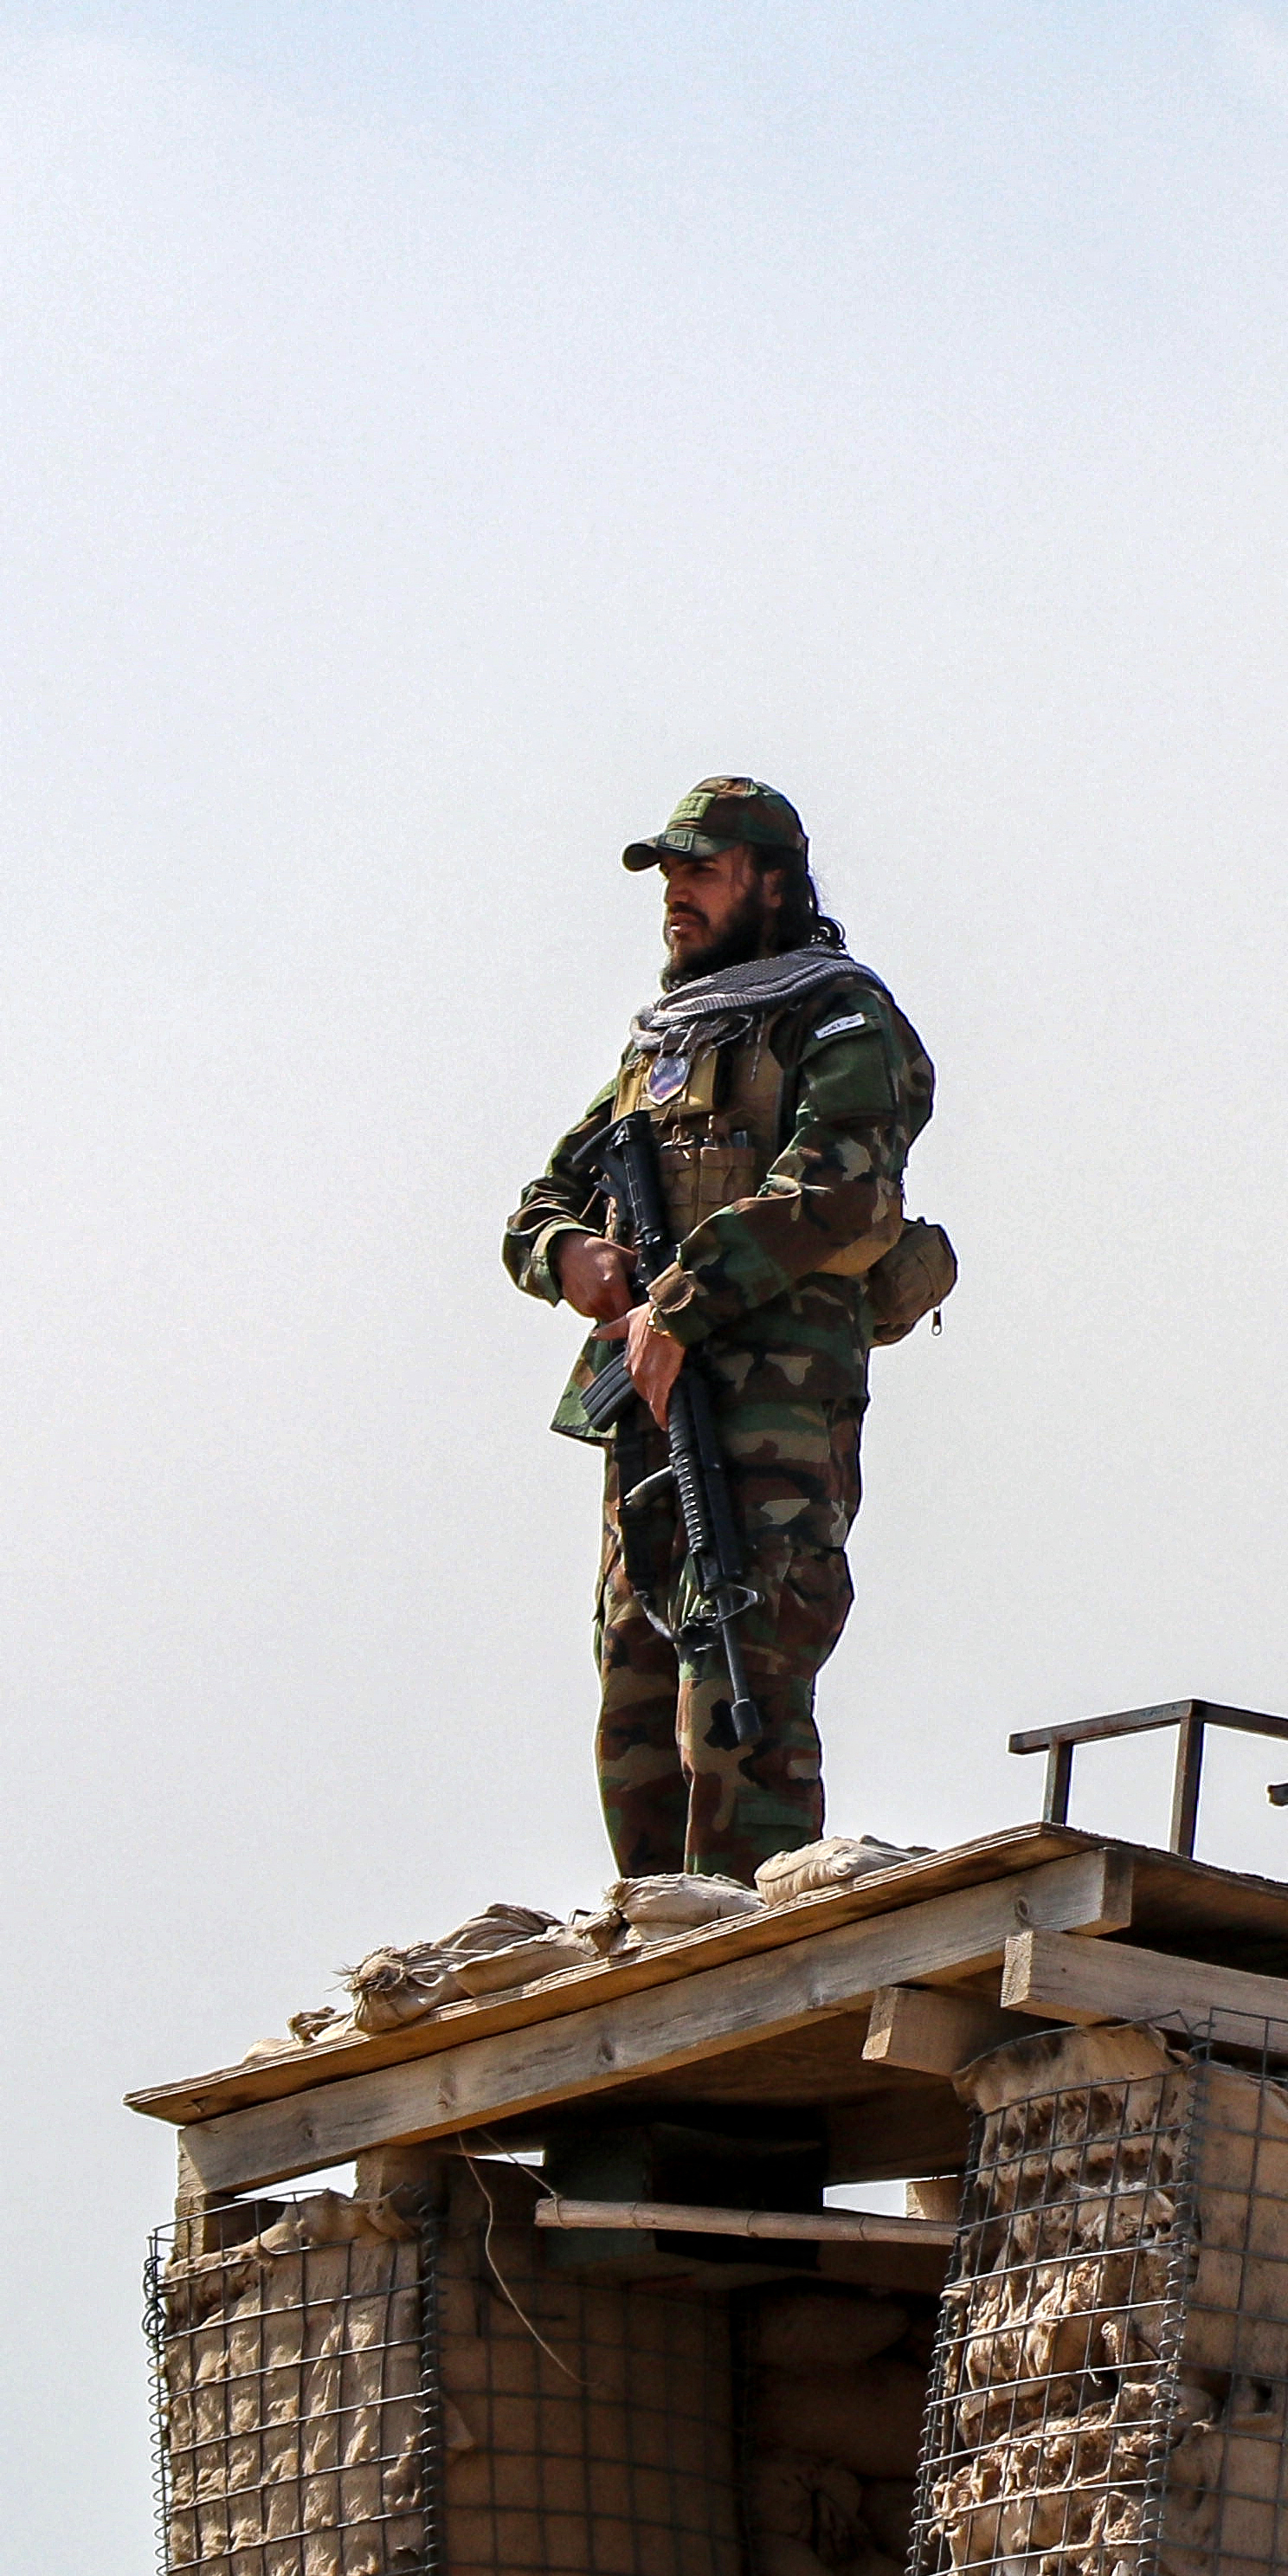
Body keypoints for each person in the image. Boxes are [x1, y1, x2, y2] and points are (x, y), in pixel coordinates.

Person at [503, 778, 947, 1877]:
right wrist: (569, 1253)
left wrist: (681, 1302)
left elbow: (839, 1186)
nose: (676, 896)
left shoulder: (836, 1017)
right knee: (635, 1700)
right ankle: (665, 1928)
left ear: (773, 885)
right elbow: (541, 1201)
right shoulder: (663, 1047)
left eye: (700, 872)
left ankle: (750, 1934)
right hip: (649, 1422)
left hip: (770, 1421)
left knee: (742, 1687)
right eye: (668, 876)